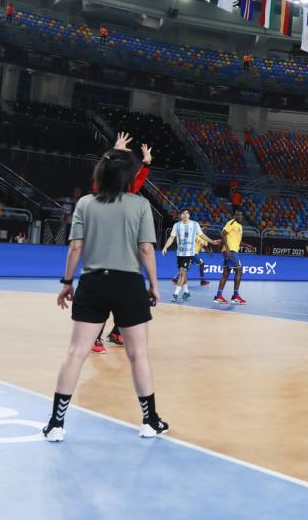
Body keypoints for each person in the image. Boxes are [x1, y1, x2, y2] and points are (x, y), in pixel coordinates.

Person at [41, 147, 167, 441]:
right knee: (139, 355)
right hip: (129, 285)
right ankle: (150, 421)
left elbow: (75, 247)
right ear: (128, 175)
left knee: (75, 354)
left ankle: (56, 425)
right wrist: (155, 284)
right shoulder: (140, 205)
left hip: (93, 283)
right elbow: (146, 248)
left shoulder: (85, 203)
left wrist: (67, 282)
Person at [92, 132, 154, 352]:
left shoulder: (129, 193)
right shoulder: (100, 193)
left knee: (128, 298)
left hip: (126, 255)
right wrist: (114, 151)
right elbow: (101, 175)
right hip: (104, 256)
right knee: (103, 299)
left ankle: (117, 332)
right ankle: (94, 337)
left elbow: (137, 181)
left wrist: (145, 164)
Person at [161, 209, 216, 302]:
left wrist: (211, 241)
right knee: (183, 274)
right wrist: (165, 247)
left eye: (187, 213)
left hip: (190, 253)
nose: (185, 215)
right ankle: (186, 292)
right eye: (183, 213)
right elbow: (171, 238)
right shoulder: (176, 225)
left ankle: (176, 294)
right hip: (180, 253)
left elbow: (202, 235)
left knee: (182, 273)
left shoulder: (195, 224)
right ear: (180, 216)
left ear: (189, 215)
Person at [213, 208, 246, 305]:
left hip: (232, 250)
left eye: (240, 215)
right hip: (230, 251)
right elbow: (223, 234)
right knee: (239, 271)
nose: (239, 216)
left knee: (226, 274)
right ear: (235, 216)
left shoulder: (240, 226)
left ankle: (218, 296)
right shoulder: (231, 223)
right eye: (237, 214)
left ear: (242, 216)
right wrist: (227, 249)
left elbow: (238, 241)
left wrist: (248, 246)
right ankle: (235, 296)